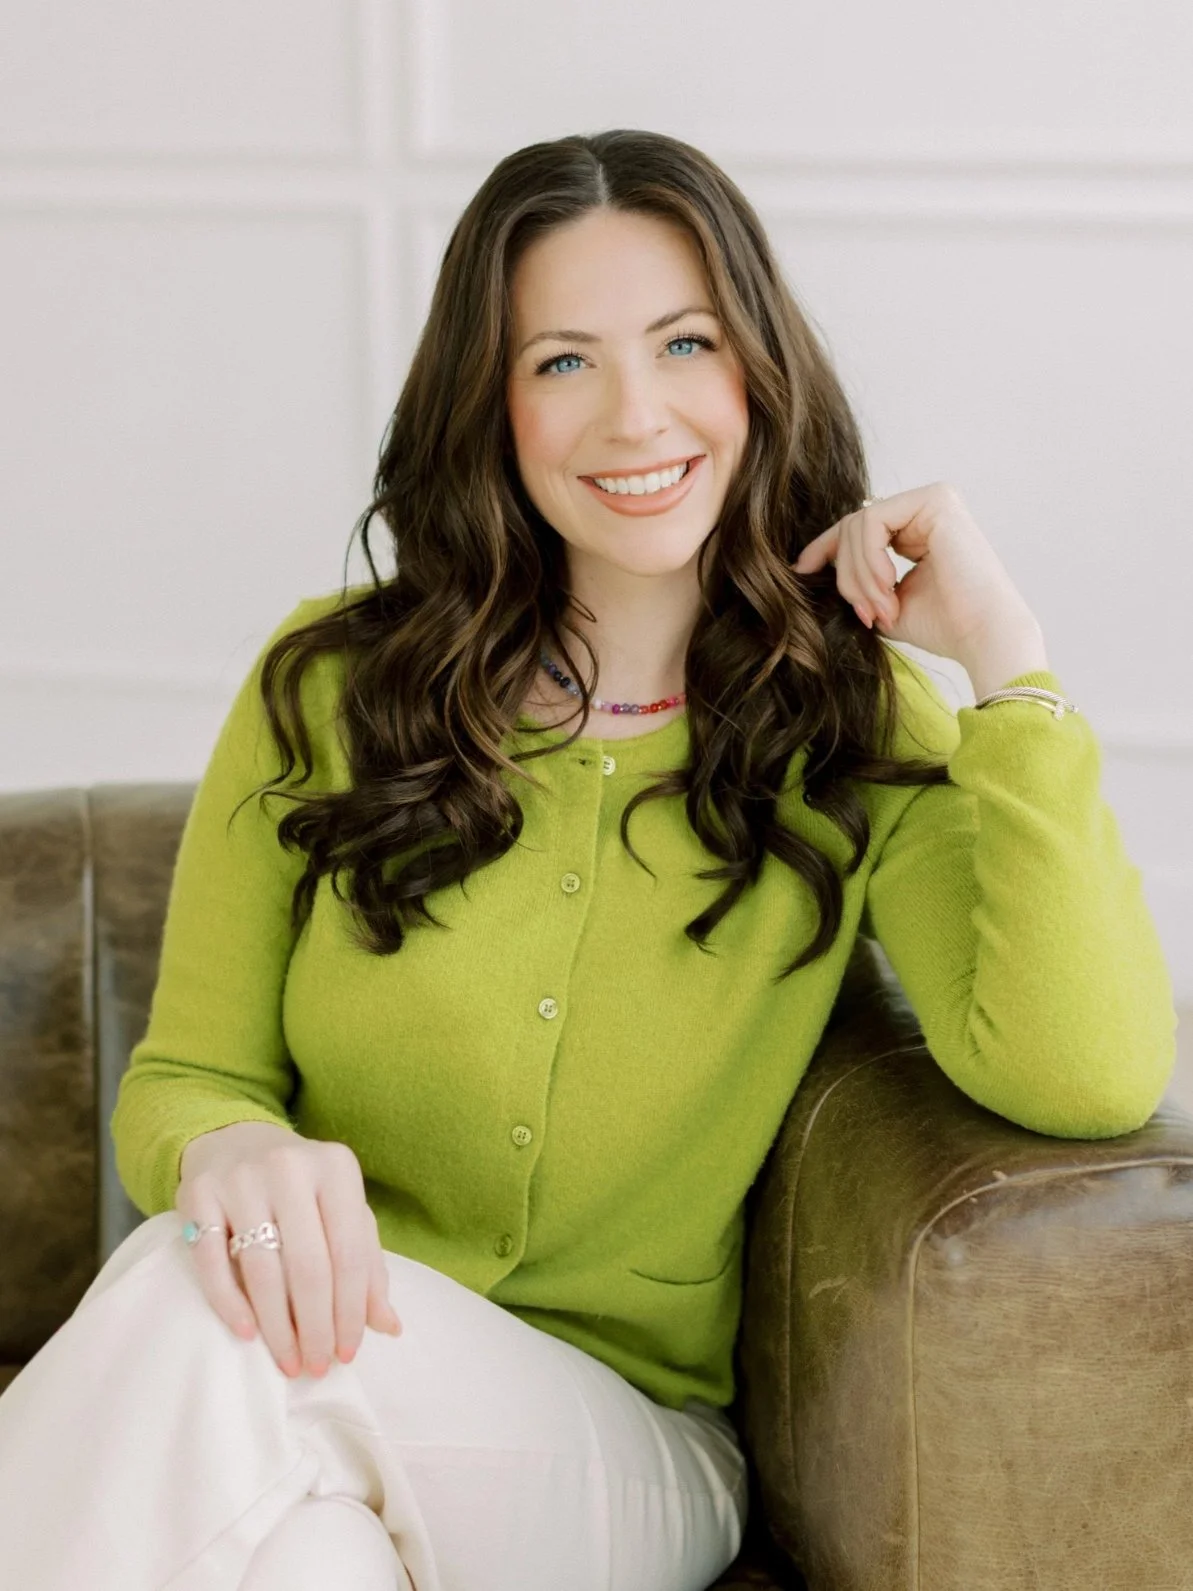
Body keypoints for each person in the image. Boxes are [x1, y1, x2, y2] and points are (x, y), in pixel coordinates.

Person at [0, 128, 1176, 1591]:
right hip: (313, 1398)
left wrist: (1014, 665)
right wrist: (226, 1143)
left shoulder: (848, 724)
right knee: (306, 1559)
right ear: (488, 405)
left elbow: (1088, 1071)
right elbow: (190, 1075)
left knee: (190, 1312)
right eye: (563, 361)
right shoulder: (328, 690)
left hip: (619, 1451)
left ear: (757, 365)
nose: (635, 415)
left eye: (685, 342)